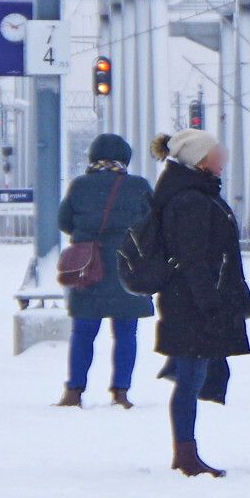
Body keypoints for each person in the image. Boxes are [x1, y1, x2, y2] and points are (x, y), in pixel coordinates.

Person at [150, 128, 250, 478]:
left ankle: (186, 451)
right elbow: (193, 258)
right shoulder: (190, 200)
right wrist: (210, 304)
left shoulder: (192, 192)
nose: (223, 158)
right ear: (199, 159)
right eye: (216, 153)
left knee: (191, 375)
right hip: (191, 304)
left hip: (190, 299)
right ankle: (186, 453)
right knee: (190, 378)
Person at [56, 133, 155, 409]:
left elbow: (64, 220)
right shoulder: (139, 186)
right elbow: (153, 223)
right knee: (126, 333)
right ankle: (121, 392)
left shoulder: (80, 186)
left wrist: (87, 233)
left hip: (89, 267)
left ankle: (74, 391)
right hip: (129, 266)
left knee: (84, 331)